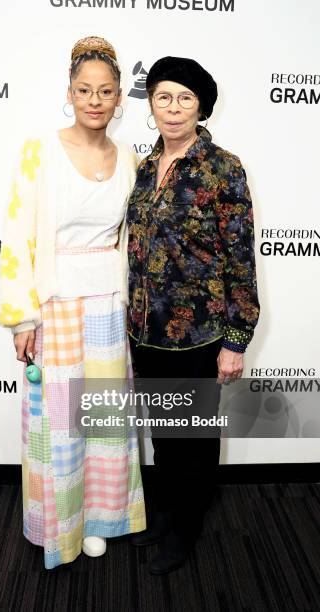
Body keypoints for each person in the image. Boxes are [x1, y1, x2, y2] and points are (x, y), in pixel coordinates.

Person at [0, 36, 146, 570]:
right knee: (59, 423)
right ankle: (62, 526)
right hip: (55, 303)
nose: (95, 100)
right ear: (70, 92)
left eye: (105, 91)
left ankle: (101, 520)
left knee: (104, 422)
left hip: (108, 304)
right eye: (84, 89)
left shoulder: (129, 155)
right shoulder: (40, 149)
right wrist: (21, 316)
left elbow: (132, 237)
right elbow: (16, 236)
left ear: (118, 98)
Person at [127, 56, 260, 574]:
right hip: (146, 330)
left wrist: (236, 339)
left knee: (195, 438)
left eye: (185, 98)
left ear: (201, 105)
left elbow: (240, 256)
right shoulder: (143, 167)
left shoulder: (223, 167)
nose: (174, 108)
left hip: (200, 334)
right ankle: (165, 511)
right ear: (151, 104)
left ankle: (187, 527)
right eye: (164, 96)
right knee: (164, 432)